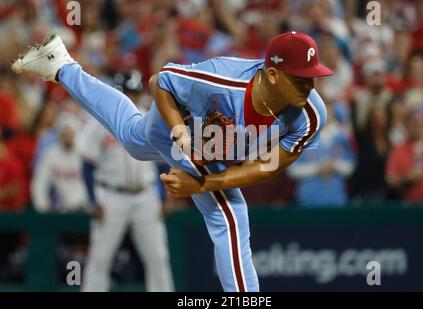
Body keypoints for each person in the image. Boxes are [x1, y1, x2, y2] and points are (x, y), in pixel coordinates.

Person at [11, 31, 333, 291]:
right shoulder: (222, 78)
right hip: (178, 122)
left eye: (313, 76)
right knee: (230, 215)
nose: (310, 85)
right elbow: (159, 82)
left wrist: (204, 183)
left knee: (133, 137)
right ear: (273, 74)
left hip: (214, 146)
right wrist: (179, 132)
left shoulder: (310, 113)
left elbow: (268, 166)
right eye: (301, 78)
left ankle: (61, 66)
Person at [80, 70, 174, 292]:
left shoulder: (148, 117)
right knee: (100, 258)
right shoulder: (100, 120)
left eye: (134, 92)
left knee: (158, 257)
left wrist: (164, 196)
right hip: (110, 196)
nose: (131, 98)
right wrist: (93, 200)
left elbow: (161, 161)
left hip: (145, 195)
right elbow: (87, 164)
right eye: (127, 93)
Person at [31, 113, 88, 213]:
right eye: (64, 134)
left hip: (85, 208)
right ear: (59, 134)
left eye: (70, 133)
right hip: (60, 209)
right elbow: (39, 182)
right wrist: (42, 206)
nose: (67, 136)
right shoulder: (50, 154)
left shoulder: (85, 153)